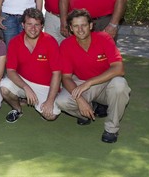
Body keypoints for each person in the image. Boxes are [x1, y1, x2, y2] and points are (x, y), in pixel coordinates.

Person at [56, 9, 131, 144]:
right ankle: (87, 111)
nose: (80, 29)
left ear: (90, 26)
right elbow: (66, 77)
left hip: (106, 83)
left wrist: (89, 83)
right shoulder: (66, 45)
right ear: (71, 29)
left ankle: (111, 129)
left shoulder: (104, 38)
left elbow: (119, 69)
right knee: (62, 101)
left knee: (120, 84)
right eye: (76, 26)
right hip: (82, 83)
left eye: (84, 25)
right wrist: (80, 100)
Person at [0, 8, 62, 122]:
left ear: (42, 26)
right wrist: (26, 87)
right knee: (4, 87)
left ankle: (38, 102)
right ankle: (17, 109)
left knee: (51, 116)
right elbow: (11, 71)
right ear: (23, 25)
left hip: (45, 86)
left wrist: (50, 100)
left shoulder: (50, 41)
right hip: (24, 81)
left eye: (37, 25)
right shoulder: (15, 42)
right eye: (29, 24)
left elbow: (57, 73)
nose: (33, 29)